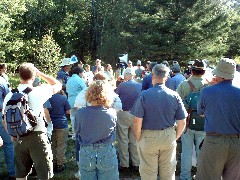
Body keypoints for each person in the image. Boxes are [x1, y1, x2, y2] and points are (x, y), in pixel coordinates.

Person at [3, 62, 62, 180]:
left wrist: (11, 135)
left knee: (21, 174)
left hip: (19, 136)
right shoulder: (38, 91)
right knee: (44, 174)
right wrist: (40, 73)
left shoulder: (10, 95)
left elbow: (4, 118)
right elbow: (58, 84)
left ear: (19, 75)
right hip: (37, 136)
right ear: (33, 76)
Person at [132, 63, 187, 180]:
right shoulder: (174, 95)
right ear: (166, 78)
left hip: (148, 136)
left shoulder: (144, 95)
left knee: (148, 174)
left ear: (152, 75)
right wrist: (175, 137)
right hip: (168, 135)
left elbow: (137, 121)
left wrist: (138, 138)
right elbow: (182, 121)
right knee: (168, 174)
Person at [196, 58, 240, 180]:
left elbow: (201, 113)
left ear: (218, 74)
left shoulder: (207, 91)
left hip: (214, 141)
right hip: (237, 143)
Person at [74, 80, 119, 180]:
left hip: (86, 151)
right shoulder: (111, 113)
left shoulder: (80, 112)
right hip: (106, 151)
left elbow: (77, 130)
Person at [176, 60, 208, 180]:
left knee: (187, 152)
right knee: (202, 153)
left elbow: (177, 103)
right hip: (204, 123)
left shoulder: (184, 84)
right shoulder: (209, 85)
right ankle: (201, 176)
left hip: (187, 123)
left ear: (191, 70)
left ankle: (185, 176)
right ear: (204, 71)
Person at [115, 68, 141, 172]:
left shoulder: (121, 86)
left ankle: (124, 163)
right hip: (136, 114)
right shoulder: (140, 85)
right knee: (134, 139)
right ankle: (136, 163)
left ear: (125, 75)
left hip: (124, 113)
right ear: (133, 75)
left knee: (123, 139)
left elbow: (116, 98)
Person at [48, 90, 71, 173]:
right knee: (61, 145)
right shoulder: (63, 98)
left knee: (53, 145)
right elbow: (68, 111)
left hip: (51, 124)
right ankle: (60, 164)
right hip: (62, 123)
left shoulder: (48, 98)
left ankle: (53, 162)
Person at [0, 75, 15, 179]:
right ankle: (13, 172)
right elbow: (8, 97)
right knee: (9, 143)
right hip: (1, 115)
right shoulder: (1, 81)